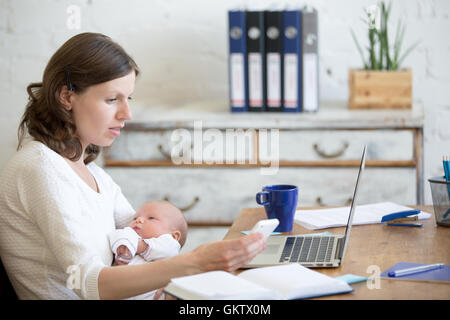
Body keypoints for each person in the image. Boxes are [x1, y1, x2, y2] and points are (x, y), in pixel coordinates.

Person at [0, 32, 265, 300]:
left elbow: (148, 240)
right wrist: (195, 262)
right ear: (67, 97)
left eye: (128, 99)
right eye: (112, 99)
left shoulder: (96, 177)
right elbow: (91, 283)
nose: (127, 114)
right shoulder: (39, 167)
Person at [109, 201, 188, 299]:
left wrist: (139, 246)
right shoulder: (129, 235)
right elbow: (116, 236)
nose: (139, 220)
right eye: (135, 218)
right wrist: (122, 246)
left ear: (173, 236)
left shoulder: (169, 244)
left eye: (151, 218)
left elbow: (168, 250)